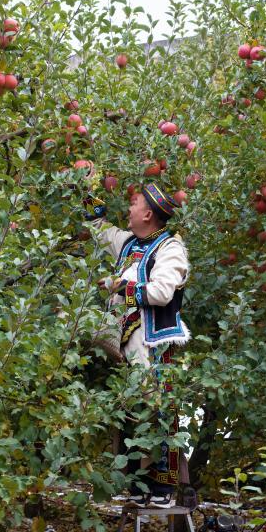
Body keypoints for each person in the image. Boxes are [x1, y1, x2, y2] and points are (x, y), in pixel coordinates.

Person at [86, 183, 191, 508]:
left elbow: (161, 292)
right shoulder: (128, 243)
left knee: (155, 408)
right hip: (125, 341)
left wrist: (120, 286)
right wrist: (85, 188)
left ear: (148, 214)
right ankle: (138, 484)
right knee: (130, 409)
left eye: (134, 203)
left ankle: (163, 486)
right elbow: (98, 228)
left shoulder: (170, 248)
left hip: (151, 342)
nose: (128, 208)